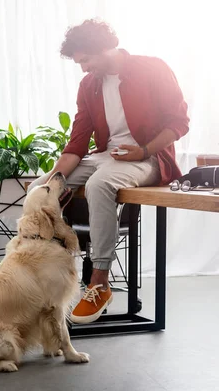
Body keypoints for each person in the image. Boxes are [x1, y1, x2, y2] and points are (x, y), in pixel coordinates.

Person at [28, 19, 189, 324]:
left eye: (86, 60)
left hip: (149, 158)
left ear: (105, 48)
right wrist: (52, 179)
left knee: (100, 185)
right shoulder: (89, 85)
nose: (83, 68)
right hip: (106, 157)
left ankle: (99, 282)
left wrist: (143, 151)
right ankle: (52, 272)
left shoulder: (152, 68)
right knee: (38, 189)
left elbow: (179, 122)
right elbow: (77, 142)